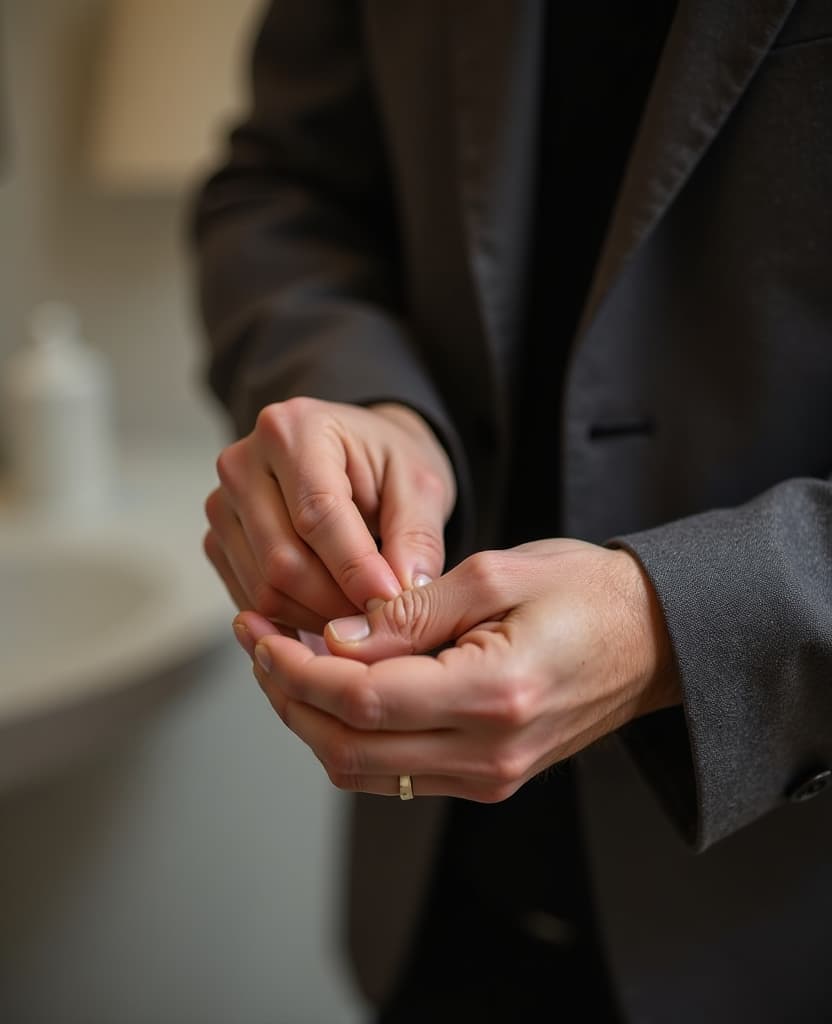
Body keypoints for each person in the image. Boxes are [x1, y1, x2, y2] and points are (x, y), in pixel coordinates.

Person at [192, 2, 832, 1020]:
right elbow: (284, 189)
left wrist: (676, 625)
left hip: (789, 926)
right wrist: (365, 398)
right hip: (436, 910)